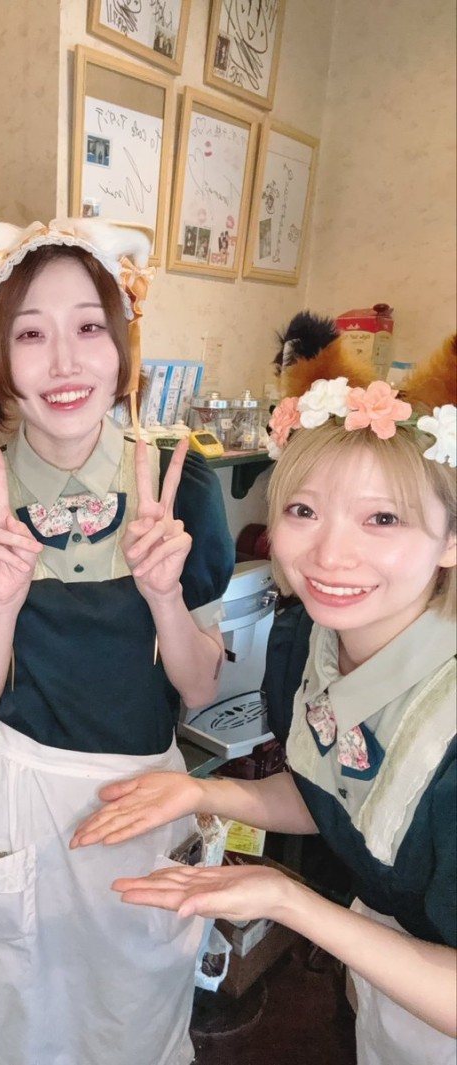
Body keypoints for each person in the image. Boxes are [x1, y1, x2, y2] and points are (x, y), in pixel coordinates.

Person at [72, 336, 457, 1065]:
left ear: (451, 539)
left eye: (383, 519)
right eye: (304, 509)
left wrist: (288, 900)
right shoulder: (312, 641)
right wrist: (201, 791)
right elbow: (336, 793)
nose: (330, 554)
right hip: (386, 976)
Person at [0, 218, 236, 1065]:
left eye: (89, 326)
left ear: (121, 345)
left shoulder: (180, 486)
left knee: (129, 1026)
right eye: (31, 333)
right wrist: (3, 604)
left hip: (144, 800)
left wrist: (164, 594)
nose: (64, 362)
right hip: (20, 802)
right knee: (1, 1024)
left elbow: (199, 687)